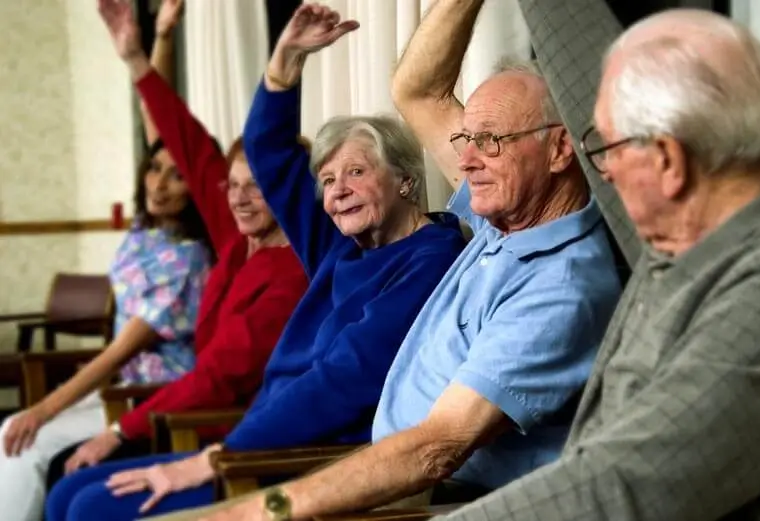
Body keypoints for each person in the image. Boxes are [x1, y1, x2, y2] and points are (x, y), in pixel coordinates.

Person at [151, 1, 623, 519]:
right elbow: (416, 91)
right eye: (466, 139)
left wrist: (261, 507)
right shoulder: (500, 213)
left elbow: (434, 450)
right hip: (375, 468)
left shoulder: (559, 285)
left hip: (443, 499)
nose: (465, 161)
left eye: (488, 141)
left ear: (558, 151)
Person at [44, 1, 466, 520]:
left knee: (90, 507)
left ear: (406, 178)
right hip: (260, 440)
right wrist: (283, 66)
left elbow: (342, 380)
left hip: (305, 459)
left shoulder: (429, 259)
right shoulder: (344, 244)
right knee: (71, 494)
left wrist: (217, 458)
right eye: (328, 181)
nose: (338, 193)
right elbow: (267, 154)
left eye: (356, 173)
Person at [422, 3, 760, 521]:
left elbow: (624, 484)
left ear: (666, 161)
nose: (603, 174)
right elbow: (574, 57)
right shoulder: (686, 237)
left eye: (604, 148)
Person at [41, 1, 308, 491]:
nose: (240, 198)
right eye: (232, 185)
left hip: (225, 434)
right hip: (185, 412)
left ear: (288, 190)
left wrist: (120, 431)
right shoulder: (236, 234)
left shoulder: (291, 269)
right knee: (67, 472)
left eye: (259, 186)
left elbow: (218, 378)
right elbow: (187, 142)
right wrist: (136, 61)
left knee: (72, 480)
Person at [0, 119, 213, 520]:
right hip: (120, 387)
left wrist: (42, 410)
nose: (159, 184)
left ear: (196, 187)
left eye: (176, 176)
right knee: (10, 430)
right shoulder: (145, 232)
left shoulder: (185, 257)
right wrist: (141, 59)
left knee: (25, 440)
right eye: (154, 169)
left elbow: (119, 352)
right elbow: (157, 127)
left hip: (152, 394)